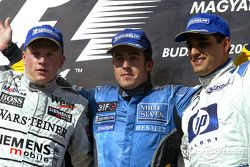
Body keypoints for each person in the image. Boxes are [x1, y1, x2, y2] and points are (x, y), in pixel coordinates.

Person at [0, 18, 198, 166]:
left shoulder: (171, 98)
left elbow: (216, 91)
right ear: (113, 65)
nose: (125, 66)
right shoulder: (95, 98)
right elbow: (51, 80)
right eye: (119, 59)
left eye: (133, 58)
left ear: (149, 64)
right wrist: (12, 52)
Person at [0, 18, 93, 167]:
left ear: (61, 61)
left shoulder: (77, 106)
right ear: (24, 57)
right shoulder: (3, 82)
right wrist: (9, 49)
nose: (42, 60)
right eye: (36, 53)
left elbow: (83, 161)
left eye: (49, 54)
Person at [175, 13, 250, 166]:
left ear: (225, 45)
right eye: (190, 46)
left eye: (203, 44)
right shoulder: (190, 105)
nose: (193, 52)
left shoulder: (244, 78)